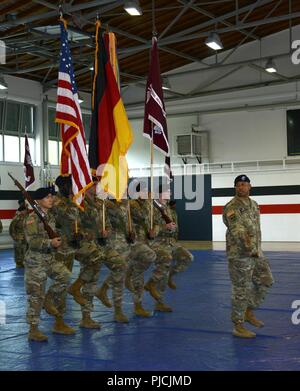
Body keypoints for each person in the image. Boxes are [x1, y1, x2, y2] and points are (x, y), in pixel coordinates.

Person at [223, 174, 274, 339]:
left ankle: (248, 311)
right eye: (238, 185)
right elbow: (237, 229)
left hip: (256, 253)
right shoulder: (231, 206)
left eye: (244, 185)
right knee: (241, 290)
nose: (242, 187)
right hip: (240, 255)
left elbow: (255, 229)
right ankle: (238, 326)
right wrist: (248, 246)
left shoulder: (254, 205)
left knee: (266, 280)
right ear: (235, 188)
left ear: (250, 186)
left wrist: (256, 249)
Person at [24, 187, 74, 342]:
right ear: (38, 201)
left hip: (49, 259)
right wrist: (49, 243)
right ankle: (33, 329)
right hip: (35, 262)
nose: (51, 199)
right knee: (36, 295)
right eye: (47, 197)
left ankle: (52, 307)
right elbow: (31, 241)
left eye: (51, 196)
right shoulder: (32, 219)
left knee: (65, 276)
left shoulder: (50, 216)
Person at [166, 200, 193, 290]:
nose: (175, 206)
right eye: (174, 205)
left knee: (187, 258)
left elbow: (175, 225)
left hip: (173, 239)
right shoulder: (166, 212)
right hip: (165, 240)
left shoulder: (174, 212)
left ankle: (169, 276)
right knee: (165, 261)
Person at [9, 198, 30, 268]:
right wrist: (15, 237)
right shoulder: (16, 218)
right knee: (18, 251)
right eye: (24, 211)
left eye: (26, 211)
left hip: (25, 237)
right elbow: (11, 229)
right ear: (21, 211)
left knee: (25, 250)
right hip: (18, 238)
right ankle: (18, 263)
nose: (25, 212)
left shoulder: (27, 217)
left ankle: (24, 262)